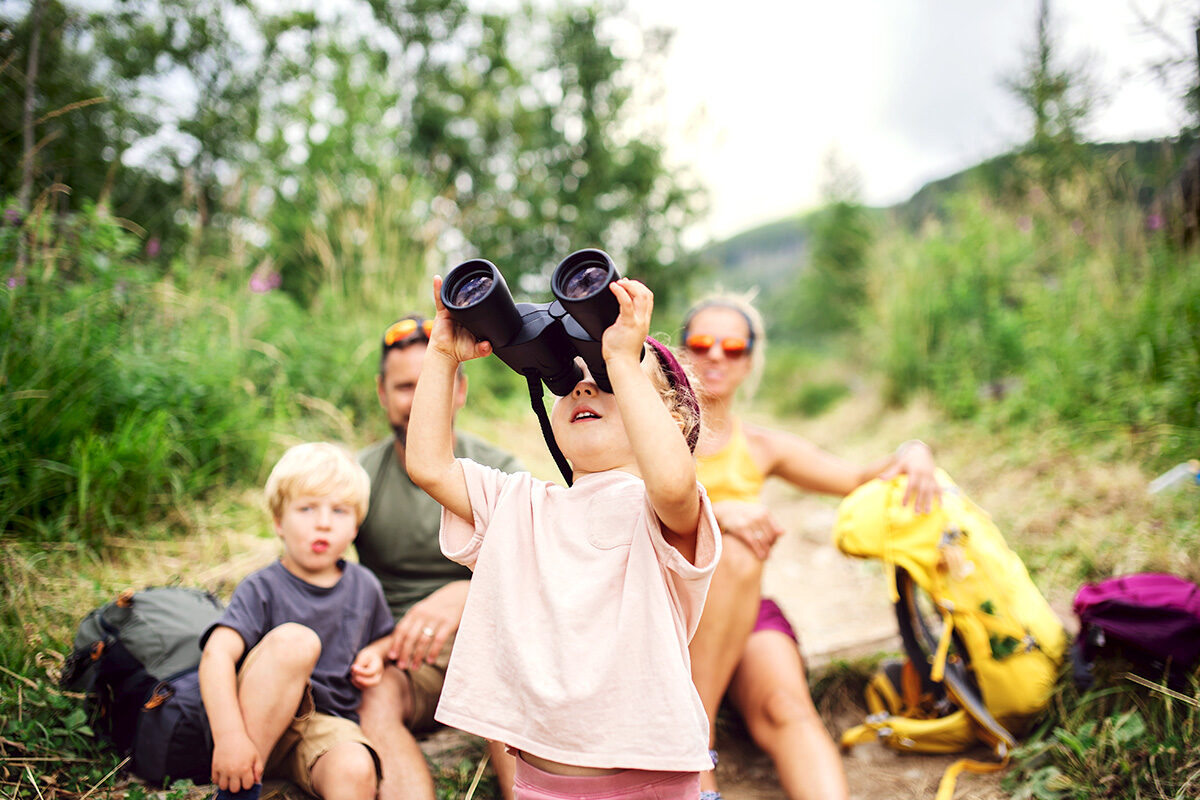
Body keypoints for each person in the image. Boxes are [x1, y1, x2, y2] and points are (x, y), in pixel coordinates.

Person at [407, 275, 722, 800]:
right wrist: (442, 354)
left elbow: (672, 478)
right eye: (567, 380)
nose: (583, 386)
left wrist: (622, 359)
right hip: (539, 782)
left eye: (603, 378)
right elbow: (429, 465)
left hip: (650, 782)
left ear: (670, 418)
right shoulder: (519, 506)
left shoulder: (662, 512)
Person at [678, 294, 941, 800]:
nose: (716, 356)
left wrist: (913, 451)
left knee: (787, 707)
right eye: (701, 343)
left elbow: (858, 478)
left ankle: (695, 733)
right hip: (666, 608)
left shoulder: (759, 446)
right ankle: (694, 744)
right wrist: (713, 514)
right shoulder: (650, 435)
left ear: (749, 361)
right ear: (681, 352)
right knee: (735, 549)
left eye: (733, 347)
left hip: (740, 611)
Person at [132, 442, 396, 800]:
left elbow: (384, 636)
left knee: (356, 767)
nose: (323, 522)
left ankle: (280, 782)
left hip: (323, 728)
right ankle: (236, 791)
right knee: (295, 642)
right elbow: (217, 655)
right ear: (278, 522)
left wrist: (376, 655)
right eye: (306, 508)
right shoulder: (263, 586)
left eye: (339, 511)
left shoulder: (365, 585)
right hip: (255, 721)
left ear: (355, 526)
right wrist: (230, 737)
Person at [354, 314, 521, 800]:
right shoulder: (357, 476)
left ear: (460, 389)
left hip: (491, 640)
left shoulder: (500, 470)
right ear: (383, 394)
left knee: (500, 657)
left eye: (433, 381)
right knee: (376, 695)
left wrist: (463, 593)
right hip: (402, 656)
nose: (418, 399)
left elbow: (536, 572)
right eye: (406, 386)